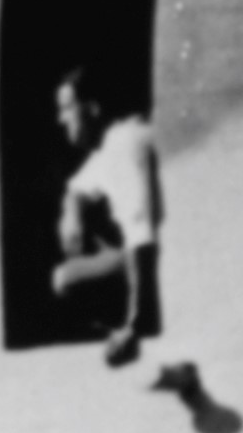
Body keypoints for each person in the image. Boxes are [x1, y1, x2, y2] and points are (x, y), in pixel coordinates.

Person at [55, 70, 167, 371]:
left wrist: (135, 325)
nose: (61, 119)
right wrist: (72, 213)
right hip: (139, 257)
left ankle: (133, 326)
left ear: (91, 108)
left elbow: (140, 237)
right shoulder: (114, 142)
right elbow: (76, 187)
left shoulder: (123, 145)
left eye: (67, 108)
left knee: (66, 280)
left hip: (155, 263)